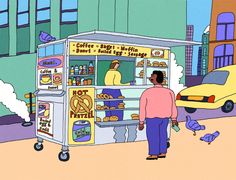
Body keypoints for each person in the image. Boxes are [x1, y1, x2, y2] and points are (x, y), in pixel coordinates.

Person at [139, 70, 178, 160]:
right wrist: (174, 118)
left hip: (152, 118)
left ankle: (153, 154)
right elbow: (173, 106)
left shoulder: (147, 92)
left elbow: (142, 107)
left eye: (152, 76)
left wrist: (141, 121)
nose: (150, 77)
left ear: (155, 79)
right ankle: (162, 152)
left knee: (153, 135)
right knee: (163, 134)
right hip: (165, 118)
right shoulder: (169, 92)